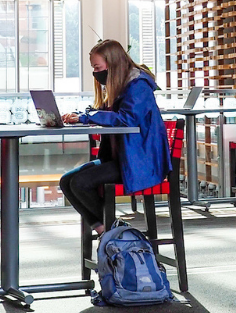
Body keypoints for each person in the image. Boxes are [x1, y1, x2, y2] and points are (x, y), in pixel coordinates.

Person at [59, 40, 171, 236]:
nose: (95, 73)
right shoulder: (121, 85)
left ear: (112, 64)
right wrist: (79, 116)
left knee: (80, 183)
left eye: (97, 67)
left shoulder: (138, 86)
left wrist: (88, 117)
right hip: (124, 159)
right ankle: (106, 230)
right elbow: (103, 112)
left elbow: (127, 119)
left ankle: (113, 231)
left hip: (140, 161)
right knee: (66, 181)